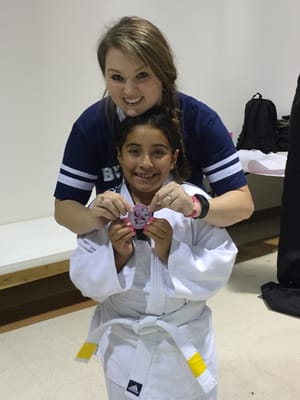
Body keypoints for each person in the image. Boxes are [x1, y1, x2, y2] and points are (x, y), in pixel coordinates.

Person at [69, 107, 238, 400]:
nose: (145, 163)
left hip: (185, 341)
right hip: (126, 344)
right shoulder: (106, 208)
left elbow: (220, 265)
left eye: (158, 152)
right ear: (119, 156)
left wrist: (172, 252)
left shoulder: (193, 204)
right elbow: (83, 278)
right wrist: (115, 257)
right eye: (134, 151)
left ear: (173, 157)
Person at [54, 16, 254, 235]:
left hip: (184, 252)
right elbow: (64, 209)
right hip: (120, 256)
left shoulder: (200, 121)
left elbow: (243, 205)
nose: (129, 91)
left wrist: (196, 206)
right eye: (117, 77)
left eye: (142, 75)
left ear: (164, 73)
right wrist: (93, 216)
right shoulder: (91, 126)